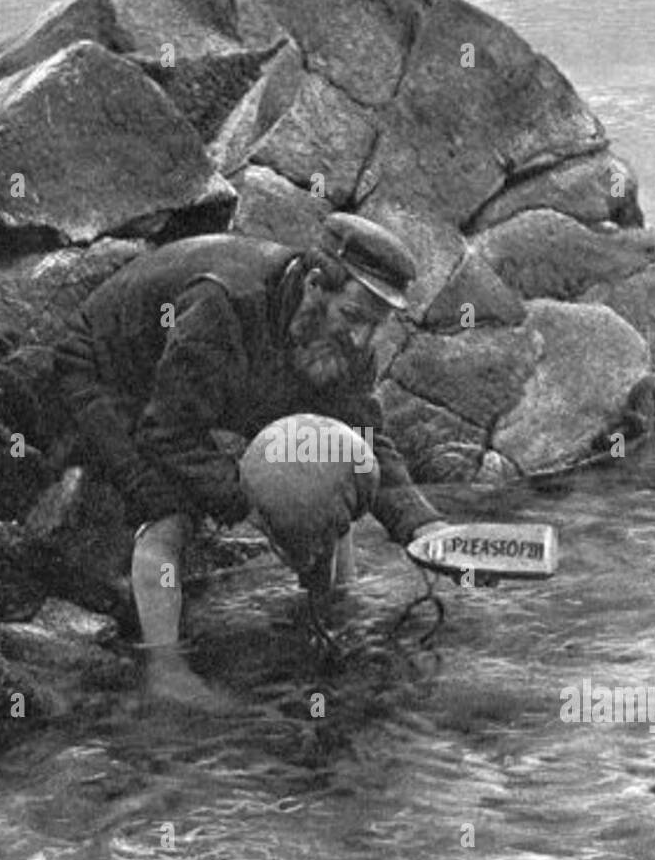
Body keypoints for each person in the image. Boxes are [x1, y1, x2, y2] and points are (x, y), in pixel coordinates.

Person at [52, 213, 449, 682]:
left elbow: (363, 440)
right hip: (103, 373)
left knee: (330, 468)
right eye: (354, 317)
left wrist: (424, 528)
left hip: (200, 381)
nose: (360, 339)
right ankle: (166, 671)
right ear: (316, 285)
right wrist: (249, 505)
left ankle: (337, 614)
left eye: (374, 327)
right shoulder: (222, 305)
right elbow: (167, 435)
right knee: (169, 508)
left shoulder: (343, 343)